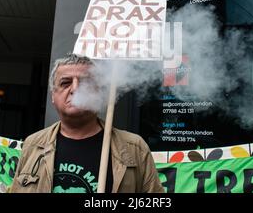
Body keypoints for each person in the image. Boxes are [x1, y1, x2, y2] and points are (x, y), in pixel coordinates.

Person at [10, 53, 164, 193]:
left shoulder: (135, 148)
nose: (75, 89)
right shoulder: (33, 144)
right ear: (53, 95)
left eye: (86, 83)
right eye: (65, 83)